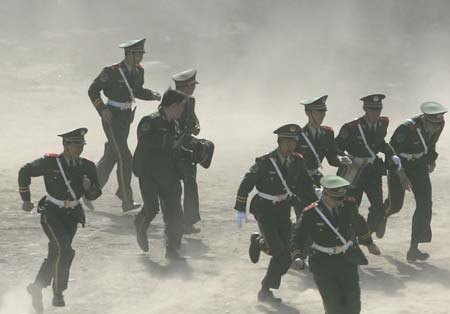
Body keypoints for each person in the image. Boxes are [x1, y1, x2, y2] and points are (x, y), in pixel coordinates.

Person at [18, 128, 102, 312]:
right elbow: (24, 172)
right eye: (75, 144)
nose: (79, 148)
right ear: (65, 145)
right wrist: (26, 200)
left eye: (82, 145)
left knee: (56, 254)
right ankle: (58, 292)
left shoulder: (87, 166)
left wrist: (89, 188)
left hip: (72, 215)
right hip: (51, 213)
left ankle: (37, 287)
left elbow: (95, 194)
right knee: (65, 250)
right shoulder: (50, 162)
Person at [234, 124, 317, 302]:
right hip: (264, 208)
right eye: (287, 141)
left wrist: (316, 201)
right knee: (278, 251)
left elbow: (306, 183)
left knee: (287, 253)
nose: (290, 146)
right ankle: (265, 287)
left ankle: (259, 248)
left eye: (293, 142)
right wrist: (240, 209)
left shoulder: (298, 160)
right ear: (279, 141)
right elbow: (246, 184)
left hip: (283, 208)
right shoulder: (265, 162)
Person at [87, 38, 161, 212]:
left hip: (126, 118)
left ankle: (88, 188)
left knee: (112, 156)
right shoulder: (112, 71)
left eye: (142, 54)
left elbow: (137, 91)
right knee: (125, 157)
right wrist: (102, 109)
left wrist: (153, 95)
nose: (141, 57)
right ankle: (125, 198)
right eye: (138, 54)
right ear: (129, 53)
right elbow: (93, 90)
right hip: (111, 117)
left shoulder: (138, 71)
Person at [291, 175, 370, 314]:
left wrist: (368, 242)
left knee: (353, 304)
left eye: (341, 198)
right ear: (325, 194)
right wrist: (297, 256)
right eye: (336, 198)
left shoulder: (349, 205)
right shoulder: (311, 213)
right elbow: (298, 236)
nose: (340, 202)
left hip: (347, 260)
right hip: (323, 263)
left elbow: (358, 222)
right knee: (333, 305)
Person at [383, 101, 447, 261]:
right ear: (425, 119)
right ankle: (383, 214)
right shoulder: (406, 129)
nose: (437, 126)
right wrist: (401, 175)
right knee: (396, 205)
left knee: (425, 204)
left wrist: (431, 159)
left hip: (419, 166)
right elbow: (391, 153)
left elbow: (431, 144)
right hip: (400, 165)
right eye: (434, 123)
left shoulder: (439, 124)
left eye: (439, 123)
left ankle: (414, 247)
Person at [132, 88, 188, 259]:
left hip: (170, 174)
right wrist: (170, 141)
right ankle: (140, 224)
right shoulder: (150, 121)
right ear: (173, 105)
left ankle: (172, 249)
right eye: (181, 107)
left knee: (175, 213)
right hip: (149, 173)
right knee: (151, 208)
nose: (183, 110)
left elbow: (176, 147)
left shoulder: (175, 124)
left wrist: (191, 152)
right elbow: (146, 142)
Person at [335, 94, 400, 237]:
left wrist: (392, 154)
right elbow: (336, 146)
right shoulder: (351, 127)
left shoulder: (382, 123)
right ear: (365, 108)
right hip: (354, 171)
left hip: (372, 171)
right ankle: (350, 238)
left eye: (378, 110)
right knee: (351, 207)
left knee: (378, 207)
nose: (376, 113)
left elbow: (381, 143)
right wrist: (342, 157)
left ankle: (366, 234)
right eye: (373, 109)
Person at [296, 95, 352, 187]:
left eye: (323, 112)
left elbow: (331, 156)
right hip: (298, 180)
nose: (322, 115)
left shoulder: (327, 133)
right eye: (318, 112)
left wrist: (340, 159)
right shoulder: (298, 136)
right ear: (308, 113)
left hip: (315, 178)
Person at [171, 69, 202, 234]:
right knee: (173, 187)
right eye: (192, 86)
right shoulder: (170, 101)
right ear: (186, 86)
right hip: (172, 149)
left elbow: (193, 119)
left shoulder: (190, 101)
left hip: (187, 150)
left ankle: (188, 222)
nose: (193, 89)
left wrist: (196, 127)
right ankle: (174, 221)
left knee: (190, 183)